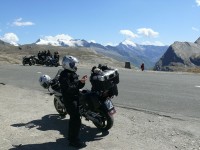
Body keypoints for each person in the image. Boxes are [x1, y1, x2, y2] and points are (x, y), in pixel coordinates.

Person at [58, 55, 87, 148]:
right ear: (67, 64)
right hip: (70, 100)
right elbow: (69, 89)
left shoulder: (72, 73)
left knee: (74, 119)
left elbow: (77, 86)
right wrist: (79, 83)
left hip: (75, 98)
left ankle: (72, 138)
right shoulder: (64, 75)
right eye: (73, 64)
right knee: (76, 120)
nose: (74, 65)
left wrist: (82, 82)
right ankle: (73, 140)